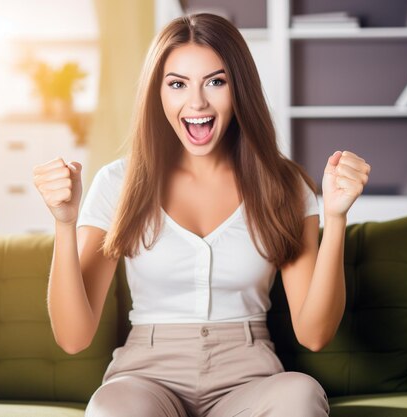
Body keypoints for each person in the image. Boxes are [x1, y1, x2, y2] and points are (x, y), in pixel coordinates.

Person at [33, 13, 370, 417]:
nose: (196, 103)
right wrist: (64, 221)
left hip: (248, 379)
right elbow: (73, 338)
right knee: (110, 409)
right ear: (158, 93)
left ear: (239, 87)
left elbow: (314, 334)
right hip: (145, 379)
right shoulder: (117, 183)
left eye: (216, 81)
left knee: (301, 395)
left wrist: (335, 219)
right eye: (177, 84)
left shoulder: (285, 185)